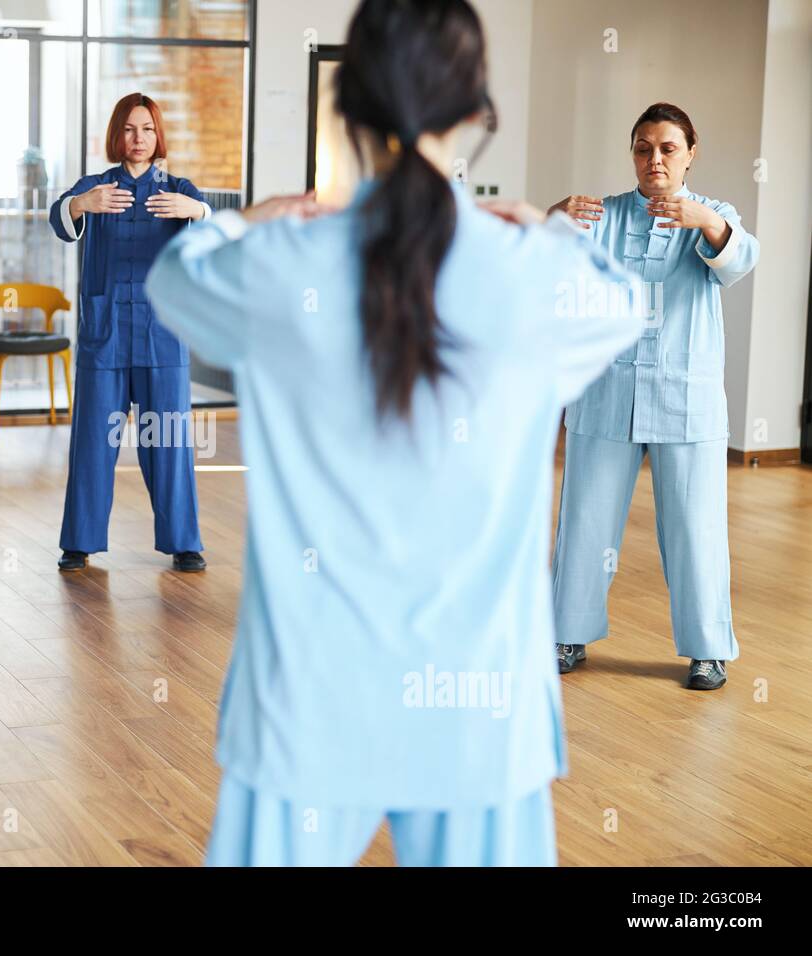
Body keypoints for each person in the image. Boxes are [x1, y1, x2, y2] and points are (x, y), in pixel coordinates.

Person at [145, 0, 645, 866]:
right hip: (480, 709)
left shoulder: (281, 265)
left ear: (349, 107)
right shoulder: (534, 277)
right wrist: (551, 229)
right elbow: (626, 303)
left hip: (308, 701)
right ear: (476, 111)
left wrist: (251, 218)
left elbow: (174, 280)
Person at [547, 103, 759, 690]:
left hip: (685, 398)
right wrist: (551, 222)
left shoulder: (714, 215)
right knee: (584, 521)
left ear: (691, 153)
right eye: (644, 148)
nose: (655, 159)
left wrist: (705, 222)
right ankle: (566, 633)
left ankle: (707, 650)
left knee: (695, 528)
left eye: (668, 148)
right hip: (605, 394)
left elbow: (740, 261)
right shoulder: (602, 215)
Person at [48, 92, 212, 573]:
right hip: (106, 334)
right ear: (116, 134)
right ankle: (79, 542)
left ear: (158, 135)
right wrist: (82, 204)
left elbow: (214, 235)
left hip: (163, 336)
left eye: (147, 129)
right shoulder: (97, 186)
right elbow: (59, 218)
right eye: (129, 129)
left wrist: (197, 211)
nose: (138, 138)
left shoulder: (178, 189)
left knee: (169, 442)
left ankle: (184, 542)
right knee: (93, 441)